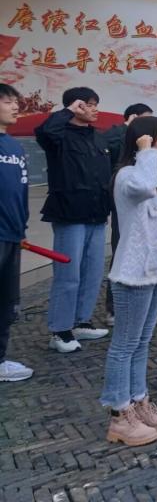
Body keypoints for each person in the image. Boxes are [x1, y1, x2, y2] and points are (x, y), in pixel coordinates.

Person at [102, 116, 157, 446]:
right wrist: (146, 152)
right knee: (125, 344)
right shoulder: (128, 176)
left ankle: (139, 402)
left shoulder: (156, 177)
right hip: (134, 274)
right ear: (142, 141)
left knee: (143, 341)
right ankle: (120, 414)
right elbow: (142, 188)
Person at [35, 87, 117, 353]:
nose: (94, 109)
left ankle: (82, 321)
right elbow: (44, 132)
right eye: (88, 104)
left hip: (97, 214)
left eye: (95, 104)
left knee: (92, 271)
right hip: (69, 213)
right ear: (75, 105)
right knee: (68, 275)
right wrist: (68, 111)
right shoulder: (59, 136)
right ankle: (60, 330)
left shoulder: (99, 138)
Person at [101, 103, 153, 326]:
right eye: (145, 119)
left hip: (144, 208)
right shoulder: (114, 137)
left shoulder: (145, 144)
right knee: (122, 253)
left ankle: (138, 302)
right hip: (123, 206)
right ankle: (114, 308)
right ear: (132, 117)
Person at [0, 84, 31, 382]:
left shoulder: (14, 146)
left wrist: (21, 227)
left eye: (15, 101)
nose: (15, 106)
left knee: (6, 301)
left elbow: (19, 192)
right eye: (8, 101)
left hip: (12, 234)